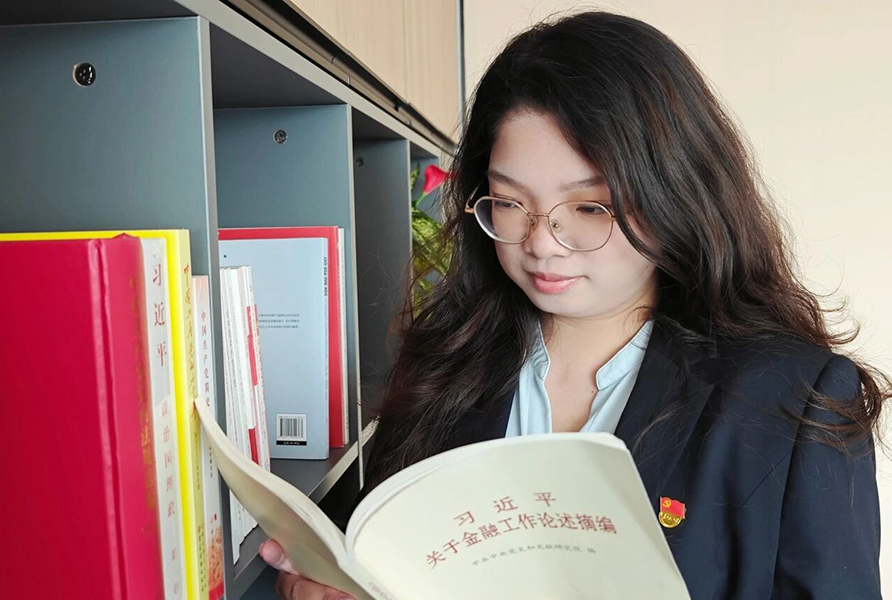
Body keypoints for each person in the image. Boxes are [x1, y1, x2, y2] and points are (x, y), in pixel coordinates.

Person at [259, 9, 887, 600]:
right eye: (510, 202)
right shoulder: (446, 361)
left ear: (676, 195)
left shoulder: (789, 401)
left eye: (589, 207)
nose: (541, 242)